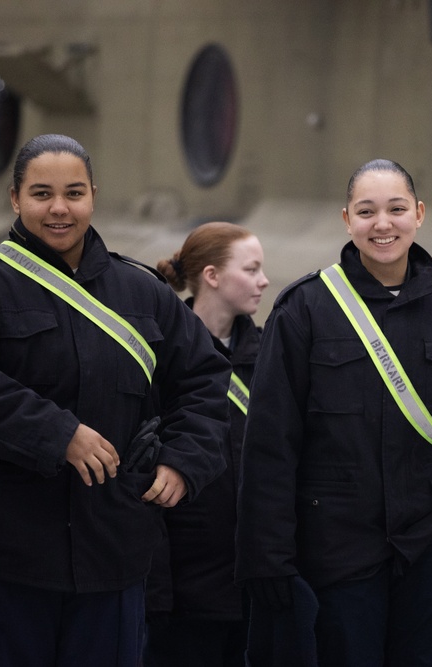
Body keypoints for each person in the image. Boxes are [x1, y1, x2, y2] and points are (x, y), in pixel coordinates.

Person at [0, 134, 231, 666]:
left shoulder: (144, 292)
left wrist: (183, 462)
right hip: (4, 558)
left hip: (114, 555)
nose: (59, 208)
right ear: (15, 199)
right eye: (41, 194)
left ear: (93, 196)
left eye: (74, 193)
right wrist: (57, 433)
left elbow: (205, 378)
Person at [234, 159, 432, 666]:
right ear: (347, 220)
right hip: (336, 554)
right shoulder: (305, 309)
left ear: (419, 214)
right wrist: (266, 558)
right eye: (367, 211)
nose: (382, 224)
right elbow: (270, 445)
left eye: (396, 209)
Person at [145, 222, 269, 667]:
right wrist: (156, 591)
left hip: (255, 581)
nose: (264, 280)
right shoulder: (157, 352)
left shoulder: (272, 355)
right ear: (212, 276)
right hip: (183, 586)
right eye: (251, 269)